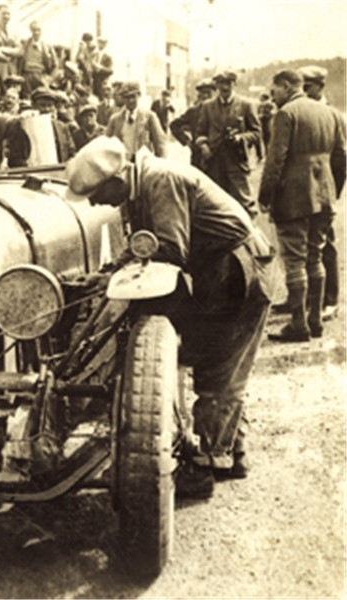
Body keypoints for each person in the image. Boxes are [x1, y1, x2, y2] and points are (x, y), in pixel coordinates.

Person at [66, 136, 273, 498]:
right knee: (221, 364)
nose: (97, 203)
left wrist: (118, 278)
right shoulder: (142, 184)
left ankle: (206, 467)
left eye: (98, 194)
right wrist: (105, 275)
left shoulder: (160, 180)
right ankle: (232, 453)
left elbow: (169, 250)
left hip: (238, 269)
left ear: (116, 179)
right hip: (220, 268)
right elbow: (144, 246)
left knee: (219, 370)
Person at [259, 70, 346, 342]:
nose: (273, 97)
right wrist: (333, 190)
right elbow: (342, 156)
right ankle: (315, 321)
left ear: (286, 86)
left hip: (293, 198)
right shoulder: (329, 113)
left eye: (275, 91)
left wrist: (265, 196)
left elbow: (275, 162)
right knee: (315, 256)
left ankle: (299, 325)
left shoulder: (286, 114)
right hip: (324, 196)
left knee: (295, 261)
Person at [300, 65, 345, 322]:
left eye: (308, 87)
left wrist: (332, 192)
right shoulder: (301, 112)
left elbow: (341, 159)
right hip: (302, 192)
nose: (304, 92)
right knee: (301, 245)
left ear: (320, 87)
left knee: (325, 244)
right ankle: (306, 297)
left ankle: (330, 300)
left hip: (322, 191)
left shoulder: (333, 115)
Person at [194, 70, 262, 217]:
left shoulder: (245, 105)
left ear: (234, 84)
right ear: (216, 85)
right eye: (221, 84)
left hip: (235, 162)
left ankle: (248, 234)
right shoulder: (207, 106)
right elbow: (200, 132)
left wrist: (240, 138)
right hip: (213, 163)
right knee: (214, 203)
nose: (224, 88)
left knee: (244, 204)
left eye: (228, 83)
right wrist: (204, 146)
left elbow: (256, 133)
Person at [105, 81, 166, 159]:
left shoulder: (149, 117)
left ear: (139, 95)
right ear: (123, 98)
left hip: (143, 166)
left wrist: (158, 166)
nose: (130, 100)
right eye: (127, 97)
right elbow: (106, 146)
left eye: (133, 96)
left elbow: (161, 146)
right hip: (121, 166)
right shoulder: (114, 120)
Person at [169, 78, 216, 168]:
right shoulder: (193, 111)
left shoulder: (219, 111)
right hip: (197, 156)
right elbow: (174, 125)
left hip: (216, 157)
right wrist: (187, 141)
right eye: (203, 93)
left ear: (214, 94)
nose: (205, 96)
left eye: (208, 93)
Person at [31, 87, 76, 162]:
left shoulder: (62, 127)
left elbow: (72, 152)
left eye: (50, 105)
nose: (47, 109)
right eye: (42, 105)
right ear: (34, 106)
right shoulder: (26, 127)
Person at [19, 21, 57, 95]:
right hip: (27, 76)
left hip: (40, 76)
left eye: (38, 30)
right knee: (26, 97)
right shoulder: (26, 44)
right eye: (34, 30)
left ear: (41, 31)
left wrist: (50, 78)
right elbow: (20, 60)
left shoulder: (47, 45)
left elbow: (55, 64)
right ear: (31, 31)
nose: (36, 32)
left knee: (41, 96)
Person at [0, 3, 21, 86]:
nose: (6, 16)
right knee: (2, 88)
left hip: (12, 67)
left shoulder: (13, 30)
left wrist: (2, 49)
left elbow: (19, 50)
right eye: (3, 14)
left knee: (13, 89)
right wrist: (7, 57)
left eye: (8, 14)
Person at [256, 91, 275, 159]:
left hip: (267, 124)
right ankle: (264, 155)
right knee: (265, 140)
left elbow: (271, 114)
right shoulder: (261, 105)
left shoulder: (269, 105)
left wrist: (261, 116)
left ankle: (266, 155)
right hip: (263, 124)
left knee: (267, 140)